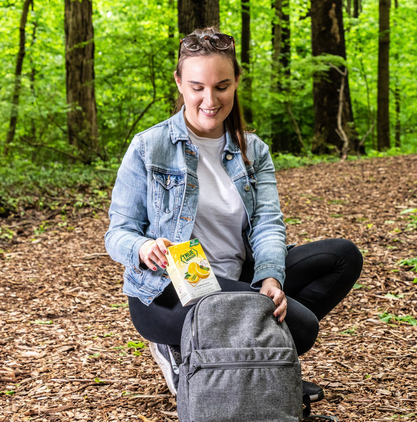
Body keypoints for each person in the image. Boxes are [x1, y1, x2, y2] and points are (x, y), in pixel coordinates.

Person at [104, 27, 363, 400]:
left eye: (222, 86)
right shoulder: (149, 146)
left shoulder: (253, 150)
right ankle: (189, 350)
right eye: (197, 87)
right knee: (300, 328)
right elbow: (118, 233)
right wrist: (143, 249)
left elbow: (268, 224)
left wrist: (270, 278)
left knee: (343, 256)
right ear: (179, 83)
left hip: (237, 276)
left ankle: (251, 361)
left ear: (237, 81)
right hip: (174, 289)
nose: (210, 99)